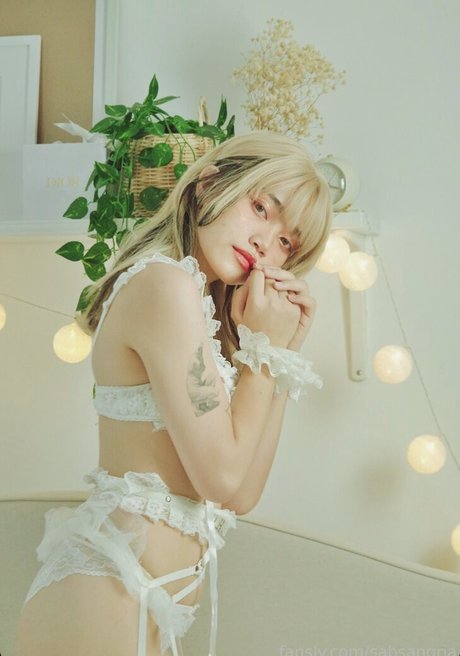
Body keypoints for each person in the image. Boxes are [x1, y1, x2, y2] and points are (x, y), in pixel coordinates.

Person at [15, 131, 331, 656]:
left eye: (286, 243)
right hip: (103, 598)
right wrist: (261, 355)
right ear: (208, 185)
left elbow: (240, 495)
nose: (265, 243)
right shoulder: (165, 286)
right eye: (261, 208)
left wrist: (280, 353)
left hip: (148, 608)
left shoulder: (201, 314)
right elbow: (220, 477)